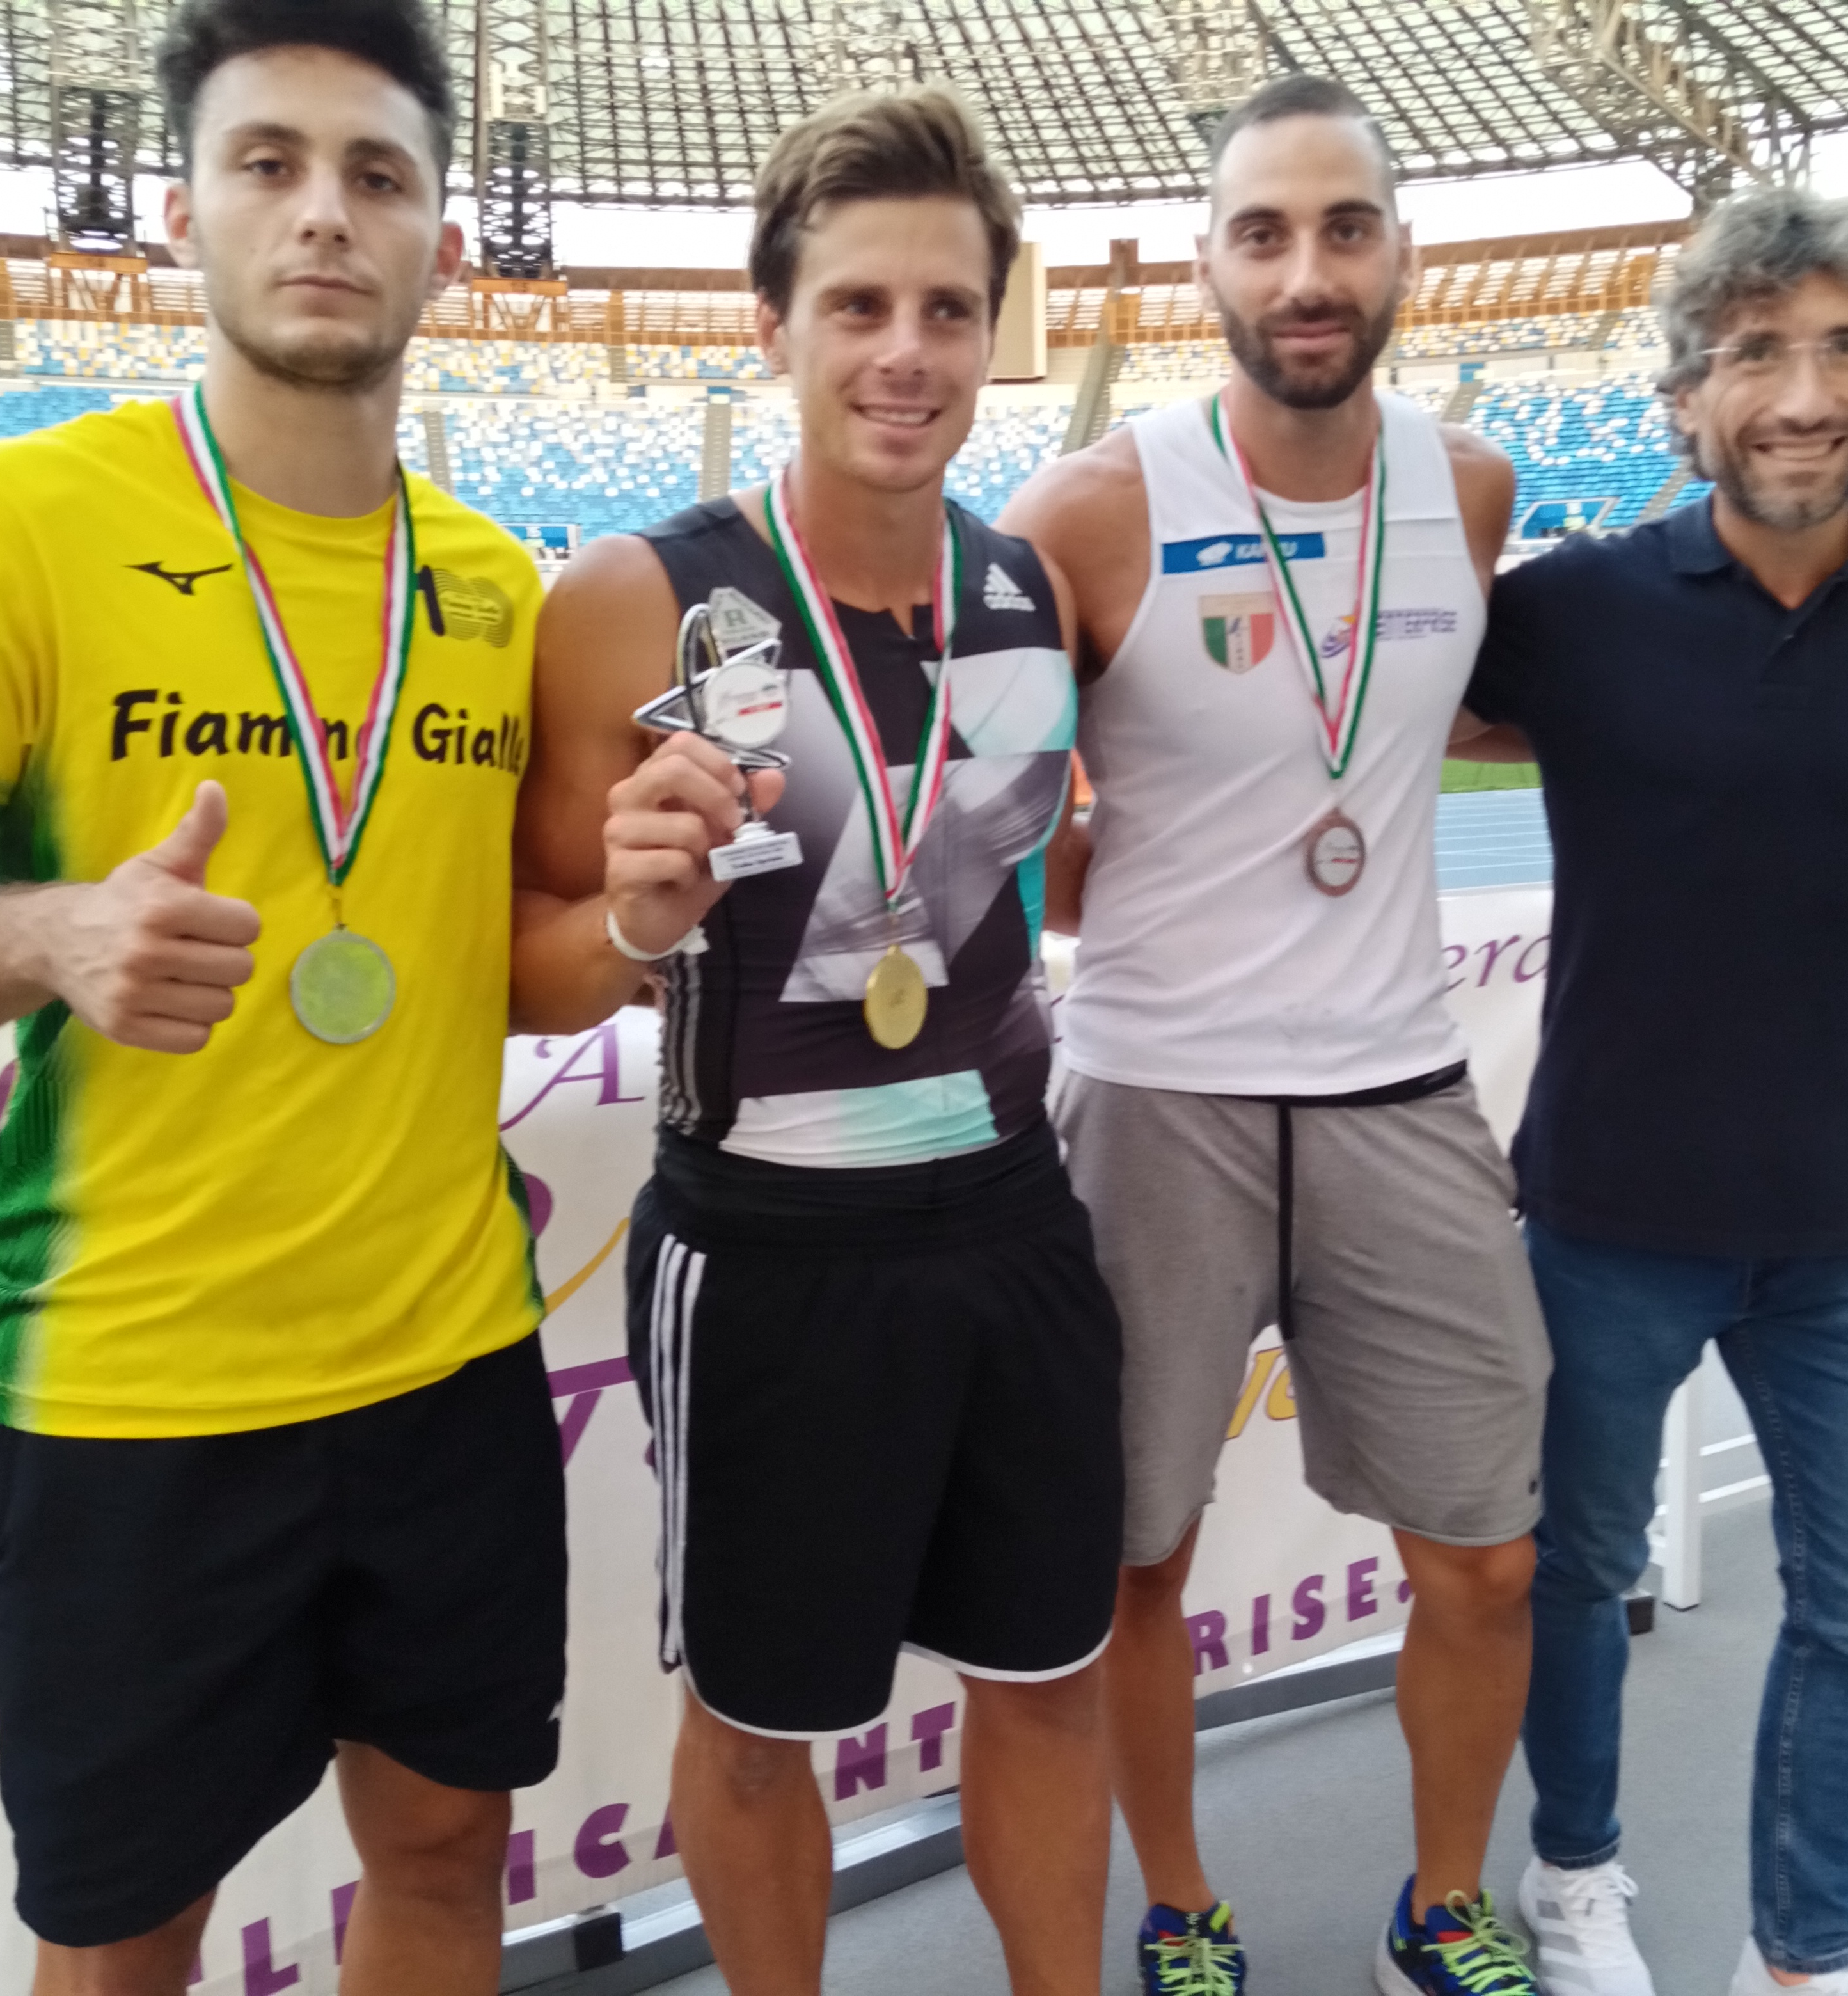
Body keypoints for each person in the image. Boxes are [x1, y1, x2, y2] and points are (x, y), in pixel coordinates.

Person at [0, 4, 562, 1992]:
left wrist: (643, 922)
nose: (325, 214)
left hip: (449, 1354)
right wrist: (48, 938)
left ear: (444, 236)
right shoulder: (10, 524)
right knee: (130, 1939)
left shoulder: (495, 586)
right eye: (268, 164)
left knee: (449, 1851)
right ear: (186, 214)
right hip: (132, 1383)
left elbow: (514, 961)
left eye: (377, 174)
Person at [509, 86, 1119, 1996]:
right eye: (858, 305)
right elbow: (526, 968)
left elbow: (1015, 880)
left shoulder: (1029, 588)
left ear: (996, 332)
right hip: (772, 1248)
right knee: (763, 1729)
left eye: (948, 309)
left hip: (1016, 1215)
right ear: (773, 323)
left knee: (1051, 1678)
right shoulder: (641, 600)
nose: (905, 353)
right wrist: (632, 918)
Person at [1004, 74, 1551, 1996]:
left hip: (1399, 1078)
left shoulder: (1468, 487)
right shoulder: (1090, 508)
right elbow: (1008, 824)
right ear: (1209, 268)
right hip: (1156, 1095)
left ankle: (1443, 1904)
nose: (1305, 272)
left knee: (1487, 1553)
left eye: (1343, 229)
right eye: (1263, 234)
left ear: (1403, 253)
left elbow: (1449, 712)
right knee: (1133, 1557)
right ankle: (1182, 1905)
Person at [1457, 187, 1848, 1996]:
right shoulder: (1568, 613)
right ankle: (1573, 1873)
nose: (1805, 393)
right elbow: (1377, 730)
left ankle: (1808, 1949)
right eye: (1759, 352)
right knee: (1579, 1576)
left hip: (1840, 1229)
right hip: (1605, 1210)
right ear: (1686, 397)